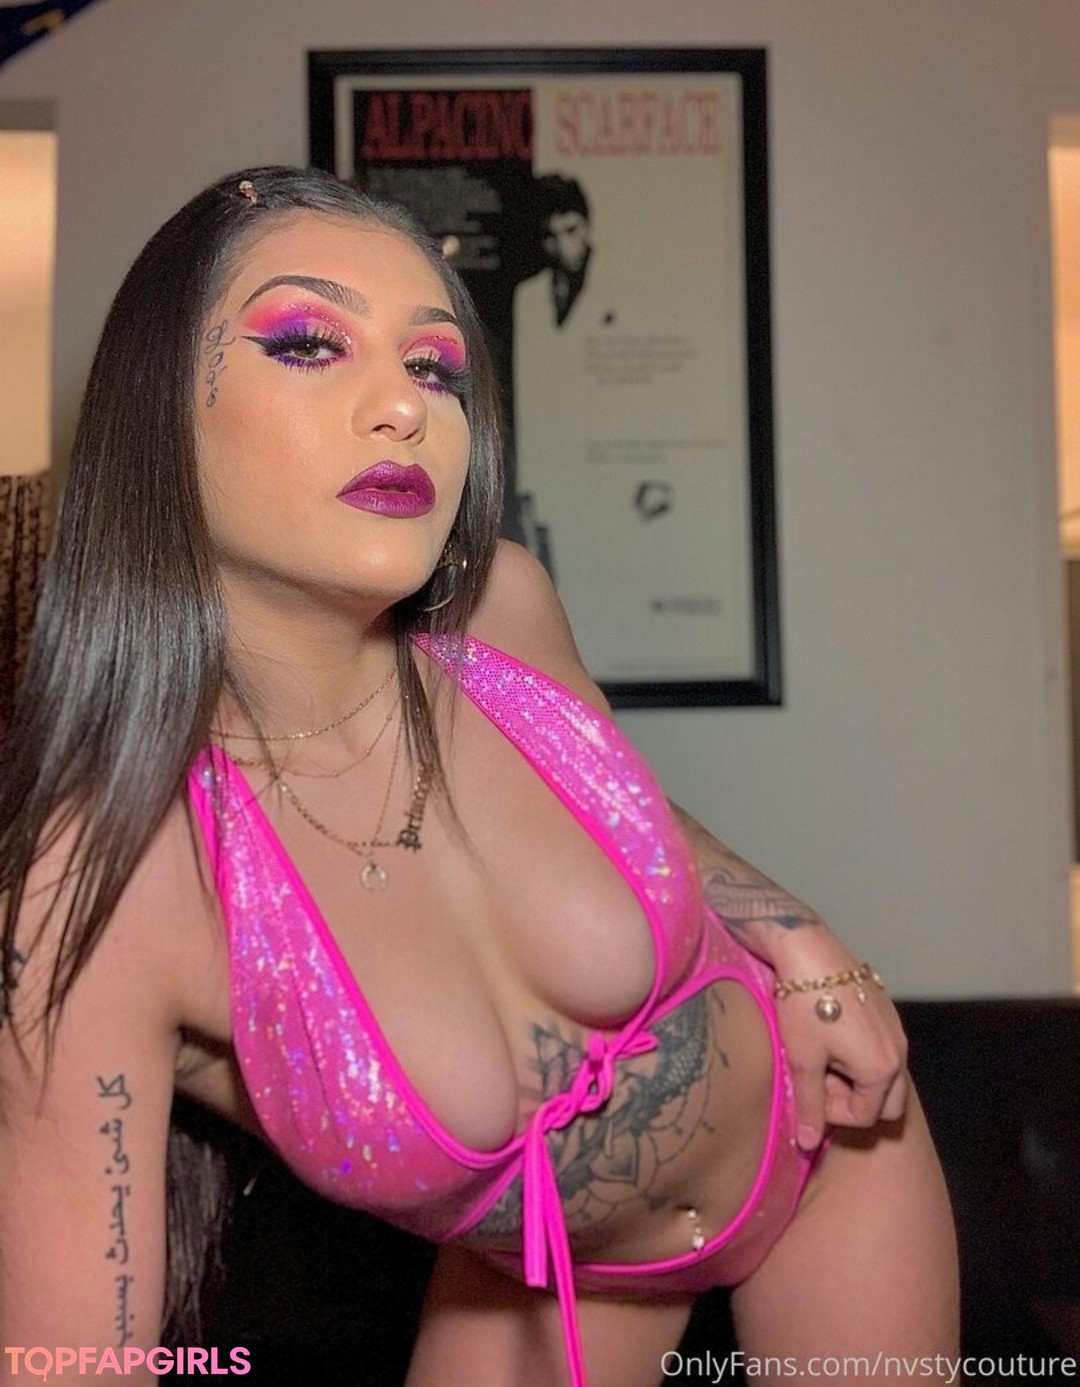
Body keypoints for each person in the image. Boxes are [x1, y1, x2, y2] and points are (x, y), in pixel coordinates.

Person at [0, 166, 957, 1386]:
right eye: (310, 343)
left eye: (435, 365)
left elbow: (624, 809)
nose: (404, 405)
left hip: (833, 1149)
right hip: (555, 1285)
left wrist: (805, 938)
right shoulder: (100, 890)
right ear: (155, 408)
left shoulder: (502, 611)